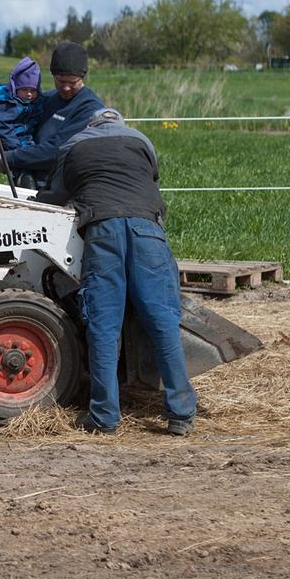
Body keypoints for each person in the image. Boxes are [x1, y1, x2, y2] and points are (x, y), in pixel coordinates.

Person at [35, 108, 197, 436]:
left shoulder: (74, 145)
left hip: (102, 231)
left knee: (103, 326)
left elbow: (55, 195)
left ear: (91, 126)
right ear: (120, 124)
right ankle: (180, 412)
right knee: (163, 321)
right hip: (147, 230)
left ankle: (105, 415)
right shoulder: (141, 140)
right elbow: (151, 181)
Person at [0, 42, 103, 188]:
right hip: (30, 183)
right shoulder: (48, 99)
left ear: (82, 77)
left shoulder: (90, 109)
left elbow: (57, 150)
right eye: (60, 81)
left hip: (61, 189)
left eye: (72, 82)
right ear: (52, 75)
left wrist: (10, 158)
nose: (66, 87)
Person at [0, 56, 43, 187]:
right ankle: (21, 179)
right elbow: (2, 129)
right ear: (15, 88)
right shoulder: (7, 105)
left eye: (33, 90)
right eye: (25, 90)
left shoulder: (35, 103)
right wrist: (17, 149)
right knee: (24, 168)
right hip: (12, 143)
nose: (29, 94)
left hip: (28, 142)